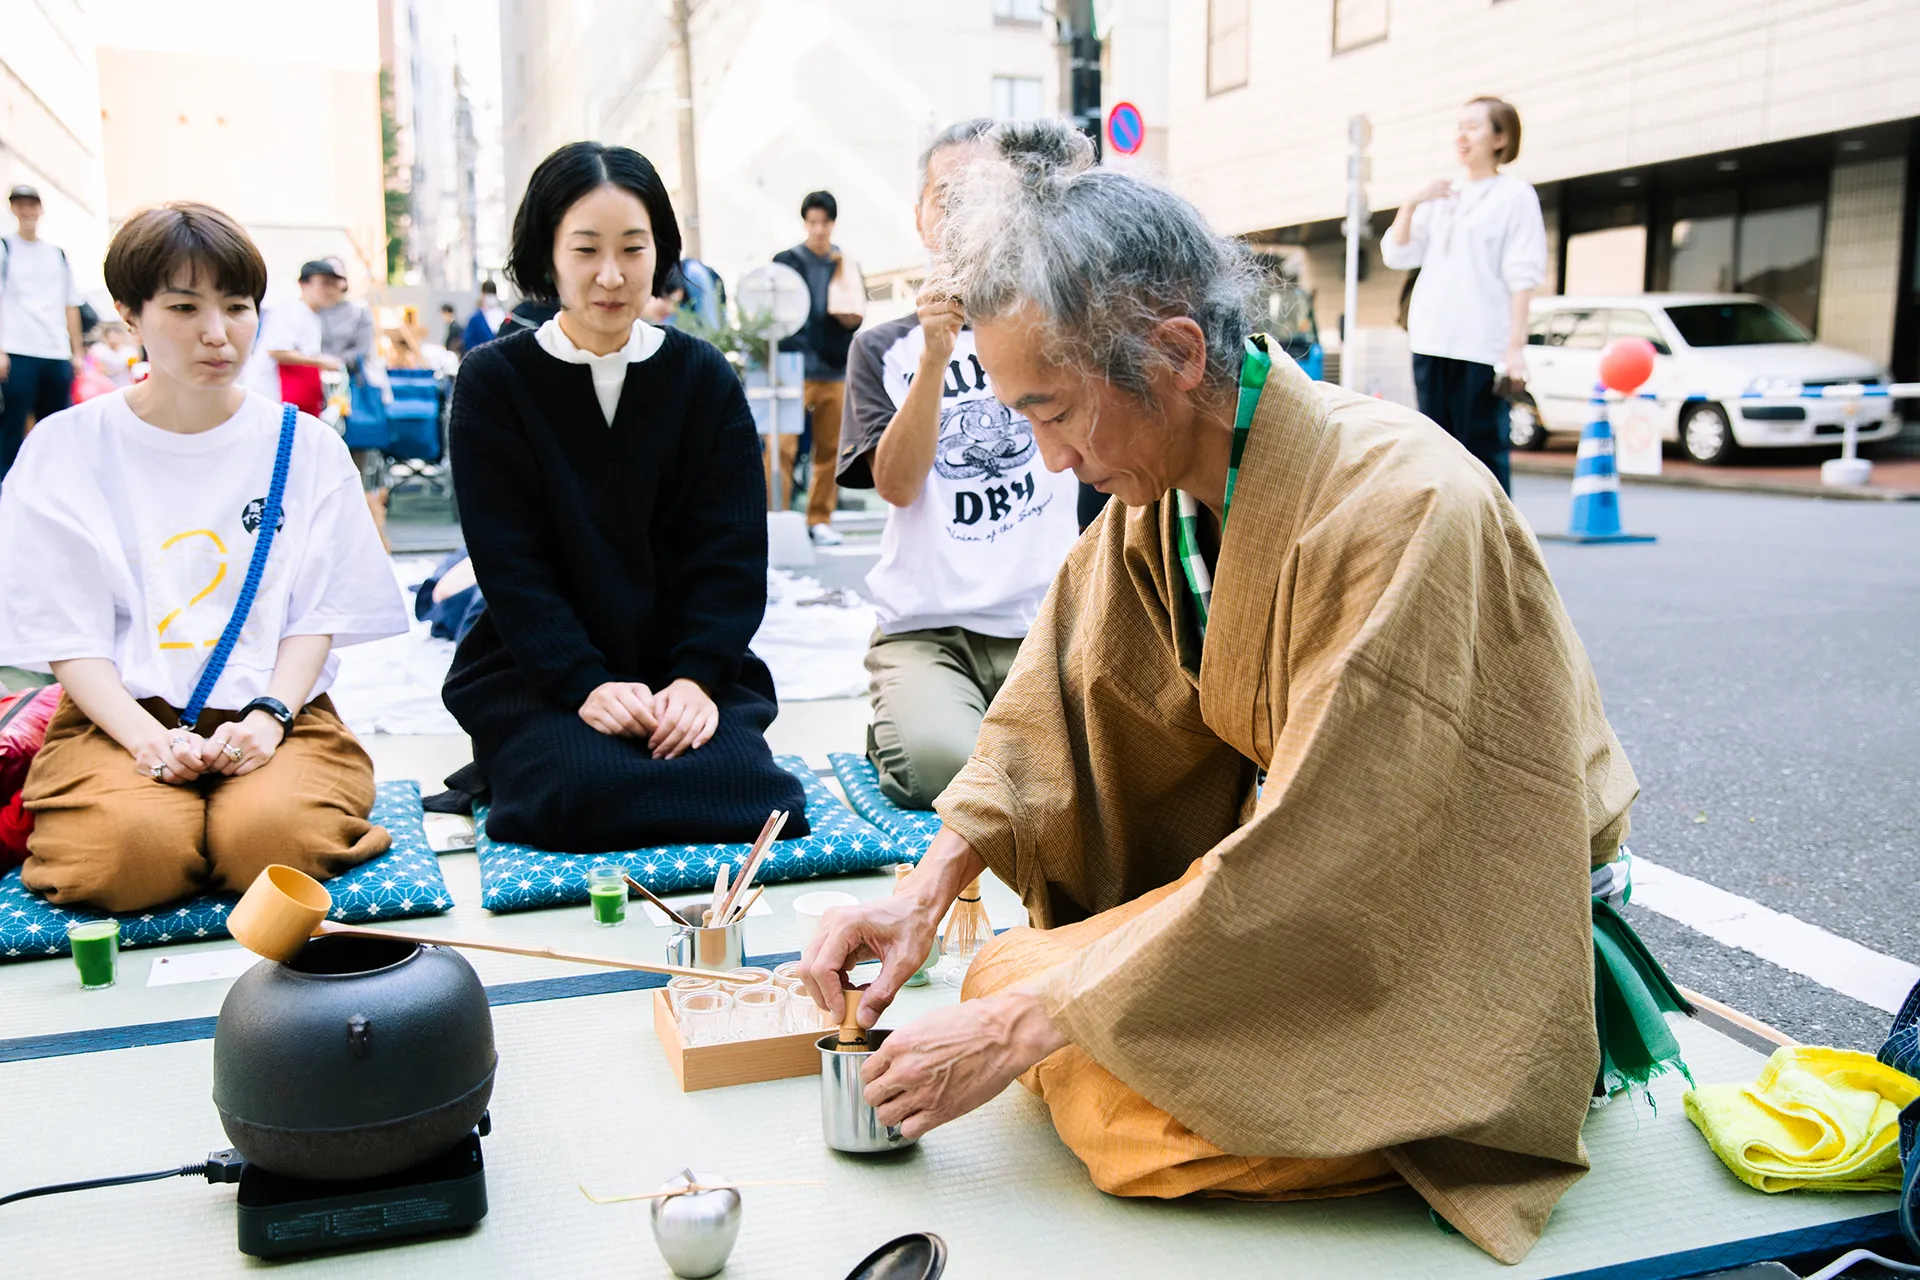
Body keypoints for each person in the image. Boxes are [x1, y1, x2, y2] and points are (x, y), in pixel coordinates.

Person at [798, 122, 1672, 1266]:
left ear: (1173, 353)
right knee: (1005, 971)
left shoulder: (1406, 509)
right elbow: (1055, 708)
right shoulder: (1161, 499)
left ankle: (1510, 1079)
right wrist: (925, 895)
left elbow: (1333, 851)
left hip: (1462, 927)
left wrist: (1028, 1023)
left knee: (1112, 1114)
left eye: (1054, 410)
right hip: (1309, 886)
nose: (1049, 459)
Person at [0, 202, 409, 913]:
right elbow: (69, 634)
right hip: (116, 716)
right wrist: (146, 739)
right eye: (184, 307)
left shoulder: (305, 446)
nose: (217, 334)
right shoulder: (67, 448)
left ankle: (238, 804)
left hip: (275, 707)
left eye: (238, 306)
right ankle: (163, 811)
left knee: (270, 843)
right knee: (129, 858)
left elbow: (321, 611)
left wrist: (270, 715)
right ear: (130, 314)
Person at [442, 141, 806, 852]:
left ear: (659, 254)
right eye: (585, 250)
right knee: (581, 794)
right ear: (548, 255)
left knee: (755, 798)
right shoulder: (493, 382)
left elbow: (731, 553)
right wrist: (583, 682)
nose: (611, 276)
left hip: (684, 666)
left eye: (632, 250)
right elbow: (509, 566)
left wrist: (698, 679)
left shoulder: (703, 378)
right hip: (540, 670)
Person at [836, 119, 1079, 809]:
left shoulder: (1056, 322)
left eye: (986, 195)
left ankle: (954, 727)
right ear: (920, 217)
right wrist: (937, 354)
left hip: (1045, 624)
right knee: (945, 770)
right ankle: (911, 721)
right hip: (928, 630)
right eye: (949, 195)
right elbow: (897, 484)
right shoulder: (882, 349)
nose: (966, 213)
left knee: (1093, 765)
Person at [1379, 96, 1546, 495]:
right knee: (1434, 451)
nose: (1462, 136)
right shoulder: (1441, 193)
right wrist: (1411, 203)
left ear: (1500, 138)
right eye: (1459, 127)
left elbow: (1523, 274)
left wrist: (1515, 347)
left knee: (1482, 452)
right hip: (1431, 336)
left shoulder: (1515, 196)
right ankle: (1447, 542)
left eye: (1474, 127)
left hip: (1481, 344)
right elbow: (1398, 253)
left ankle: (1497, 546)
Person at [773, 191, 863, 546]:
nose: (819, 229)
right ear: (804, 222)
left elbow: (857, 309)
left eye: (824, 222)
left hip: (833, 367)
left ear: (833, 223)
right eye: (812, 222)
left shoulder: (845, 263)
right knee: (780, 446)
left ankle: (819, 518)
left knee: (830, 449)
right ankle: (774, 517)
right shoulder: (786, 261)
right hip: (791, 362)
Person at [0, 184, 85, 480]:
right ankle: (7, 487)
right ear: (13, 209)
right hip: (18, 350)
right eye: (20, 205)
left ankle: (54, 483)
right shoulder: (5, 248)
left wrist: (77, 353)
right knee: (12, 425)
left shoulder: (56, 254)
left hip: (55, 351)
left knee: (57, 425)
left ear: (40, 208)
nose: (27, 211)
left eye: (31, 204)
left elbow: (70, 305)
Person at [316, 258, 395, 548]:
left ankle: (362, 533)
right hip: (319, 392)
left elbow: (364, 349)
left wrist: (332, 362)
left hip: (353, 391)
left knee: (357, 463)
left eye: (334, 279)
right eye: (324, 279)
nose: (330, 286)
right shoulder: (310, 313)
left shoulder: (358, 311)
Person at [240, 260, 342, 417]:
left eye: (333, 285)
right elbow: (277, 350)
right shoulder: (289, 310)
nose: (330, 290)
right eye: (324, 283)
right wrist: (320, 361)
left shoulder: (313, 315)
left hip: (295, 401)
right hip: (272, 398)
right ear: (304, 284)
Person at [461, 279, 507, 351]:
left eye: (492, 293)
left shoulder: (503, 316)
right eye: (488, 293)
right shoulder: (475, 319)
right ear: (482, 295)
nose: (490, 297)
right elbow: (469, 343)